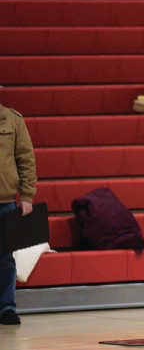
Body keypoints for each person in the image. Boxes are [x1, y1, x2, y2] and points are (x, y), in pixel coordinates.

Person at [0, 104, 37, 325]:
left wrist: (27, 195)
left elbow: (26, 158)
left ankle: (6, 307)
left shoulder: (13, 119)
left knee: (5, 258)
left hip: (5, 201)